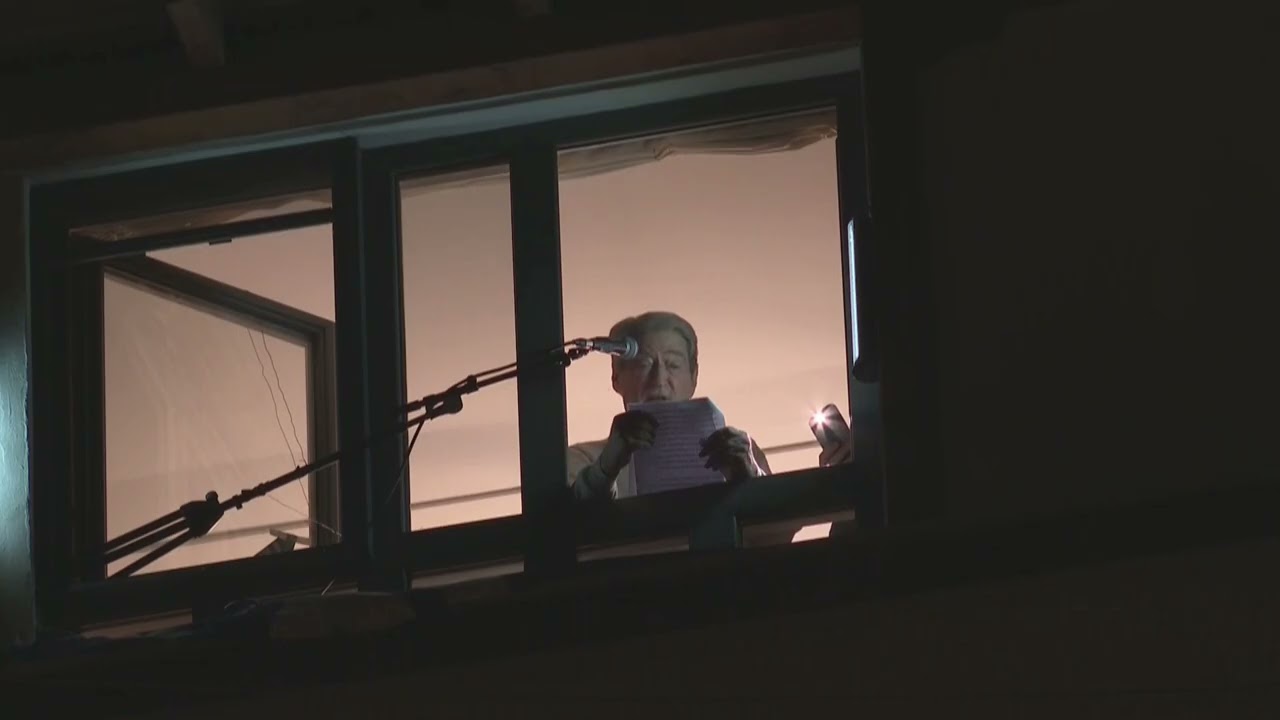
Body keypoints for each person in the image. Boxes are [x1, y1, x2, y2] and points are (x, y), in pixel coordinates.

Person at [566, 311, 771, 500]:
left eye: (673, 364)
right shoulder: (585, 459)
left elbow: (779, 524)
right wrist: (605, 469)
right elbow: (568, 522)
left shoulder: (740, 454)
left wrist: (750, 476)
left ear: (694, 376)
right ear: (616, 378)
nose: (659, 379)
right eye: (643, 364)